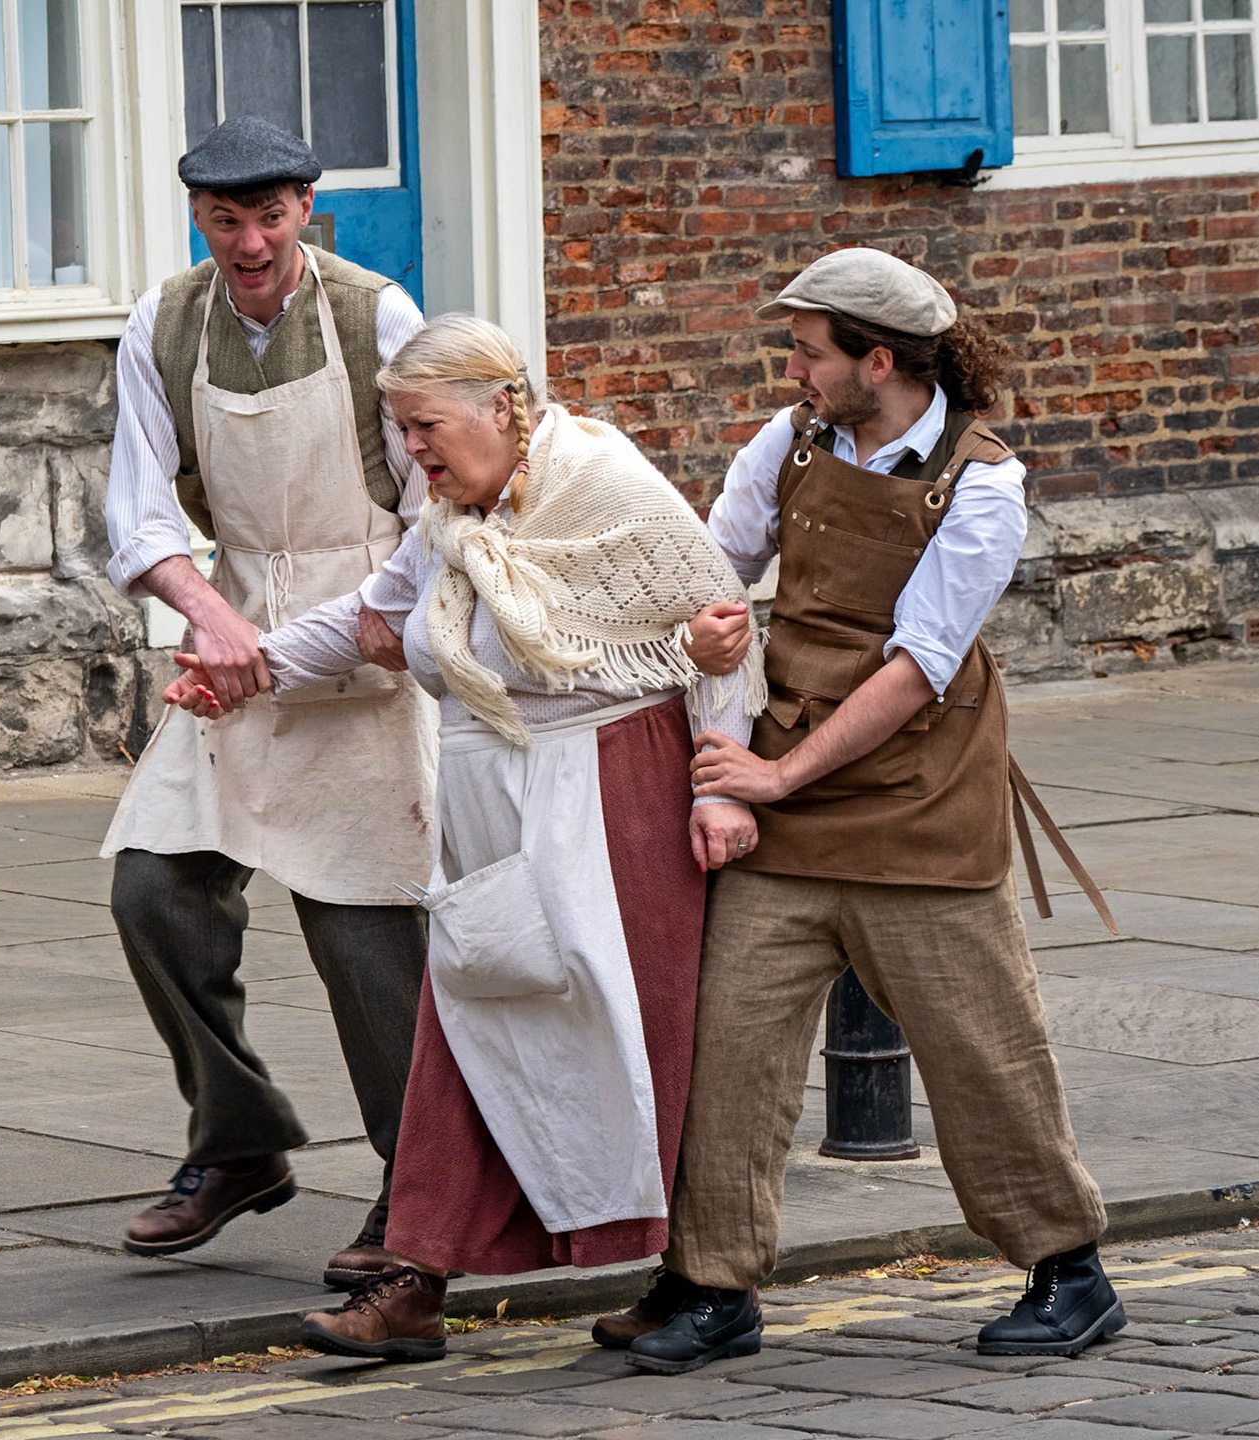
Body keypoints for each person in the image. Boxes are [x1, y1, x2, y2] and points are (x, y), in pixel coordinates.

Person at [165, 314, 766, 1361]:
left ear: (501, 407)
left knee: (630, 1036)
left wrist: (720, 784)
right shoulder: (453, 523)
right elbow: (366, 622)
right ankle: (418, 1281)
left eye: (425, 425)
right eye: (400, 432)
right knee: (473, 1026)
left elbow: (718, 634)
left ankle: (693, 1282)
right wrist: (248, 664)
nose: (414, 453)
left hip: (611, 791)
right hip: (493, 796)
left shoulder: (605, 486)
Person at [612, 248, 1120, 1374]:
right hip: (780, 796)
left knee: (982, 1050)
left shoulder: (983, 482)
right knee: (728, 1051)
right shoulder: (786, 441)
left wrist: (777, 778)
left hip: (917, 805)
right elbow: (707, 570)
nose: (792, 368)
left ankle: (1069, 1272)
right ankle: (712, 1284)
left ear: (875, 360)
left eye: (807, 350)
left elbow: (917, 667)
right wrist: (702, 642)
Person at [99, 114, 438, 1290]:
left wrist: (362, 626)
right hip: (234, 650)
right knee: (155, 887)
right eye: (224, 218)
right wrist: (210, 614)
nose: (248, 242)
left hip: (369, 655)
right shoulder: (164, 323)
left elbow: (438, 501)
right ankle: (239, 1142)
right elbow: (139, 517)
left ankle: (418, 1191)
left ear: (307, 208)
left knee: (366, 938)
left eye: (270, 216)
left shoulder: (376, 316)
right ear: (199, 215)